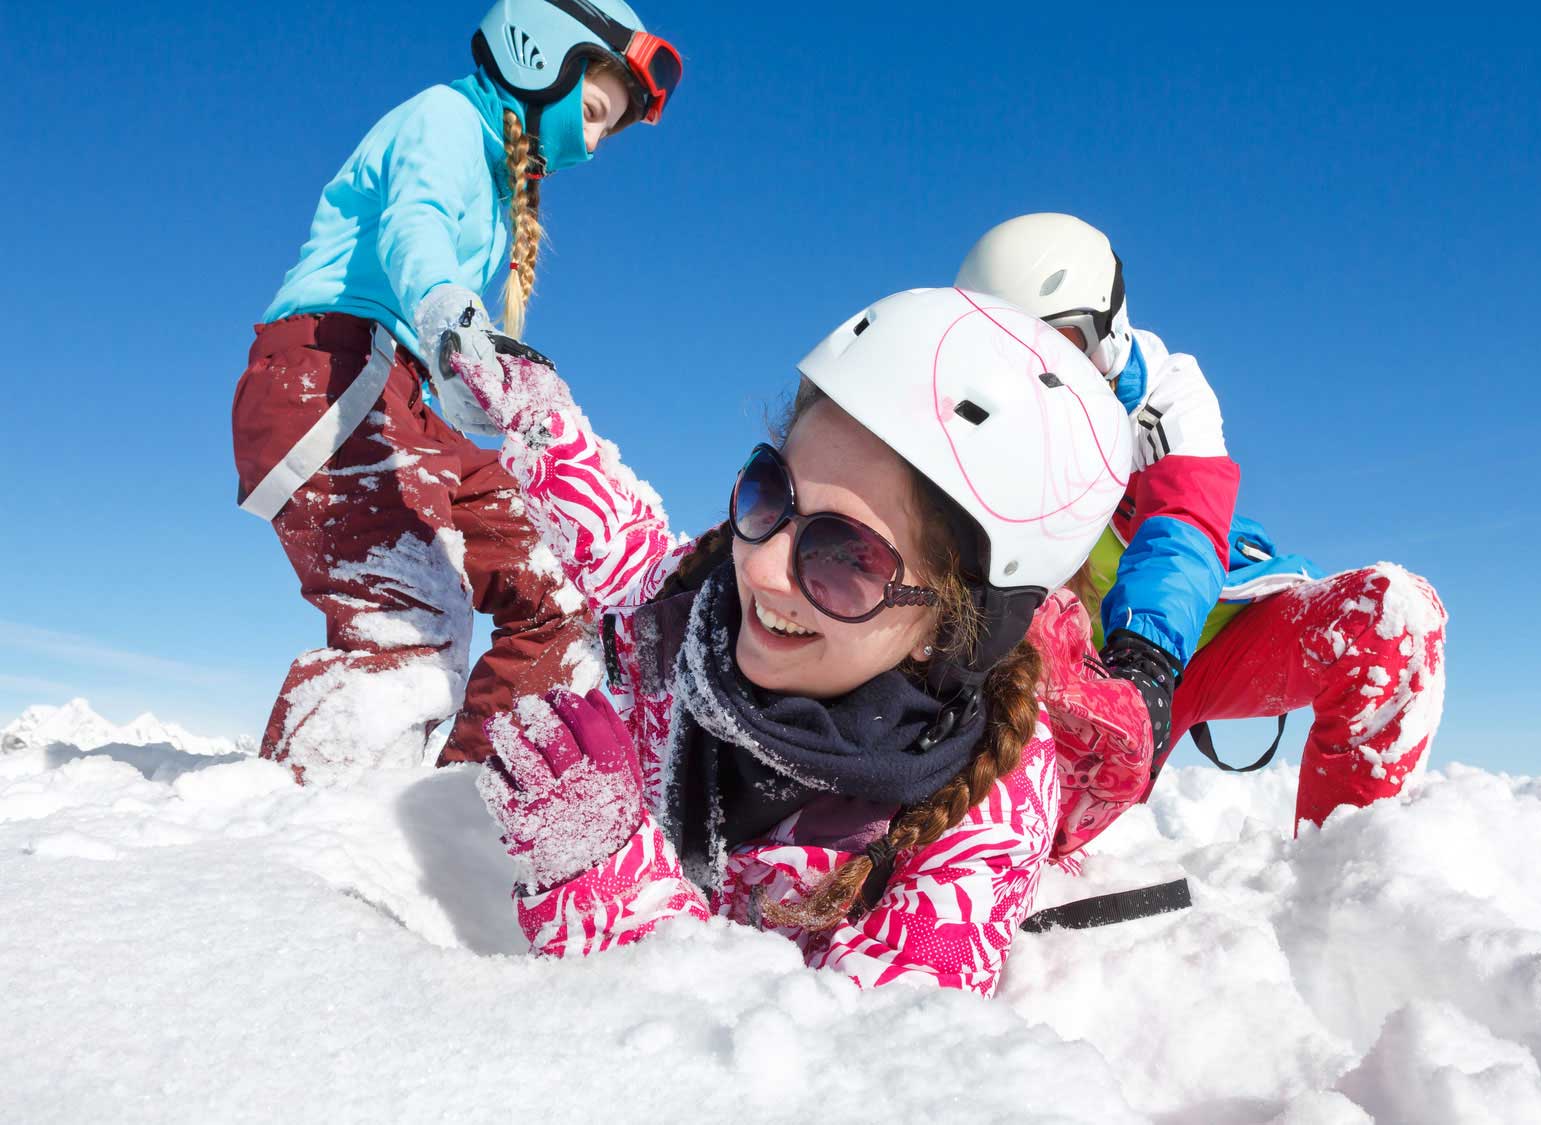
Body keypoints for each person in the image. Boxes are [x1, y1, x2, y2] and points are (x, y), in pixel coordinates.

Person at [455, 287, 1136, 993]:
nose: (764, 566)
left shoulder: (985, 826)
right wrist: (531, 410)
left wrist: (603, 874)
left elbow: (837, 1067)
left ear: (951, 628)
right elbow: (618, 538)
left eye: (844, 557)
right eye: (767, 492)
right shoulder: (701, 603)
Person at [229, 2, 682, 784]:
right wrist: (448, 315)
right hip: (329, 374)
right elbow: (417, 224)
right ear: (543, 57)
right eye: (601, 112)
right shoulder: (444, 120)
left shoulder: (502, 196)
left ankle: (453, 811)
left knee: (558, 589)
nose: (599, 142)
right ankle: (303, 841)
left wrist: (470, 378)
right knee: (413, 622)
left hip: (397, 397)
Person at [956, 213, 1448, 830]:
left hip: (1196, 644)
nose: (1045, 372)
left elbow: (1182, 524)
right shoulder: (983, 424)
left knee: (1390, 619)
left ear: (1109, 325)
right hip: (1083, 674)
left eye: (1064, 343)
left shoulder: (1167, 394)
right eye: (1015, 351)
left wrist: (1145, 662)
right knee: (1023, 818)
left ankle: (1348, 890)